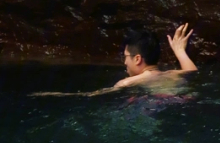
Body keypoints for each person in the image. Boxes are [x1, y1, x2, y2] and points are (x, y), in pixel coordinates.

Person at [32, 24, 197, 97]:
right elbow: (192, 74)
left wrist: (53, 95)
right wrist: (180, 51)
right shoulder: (173, 74)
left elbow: (89, 96)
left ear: (137, 58)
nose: (124, 62)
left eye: (125, 57)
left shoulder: (128, 83)